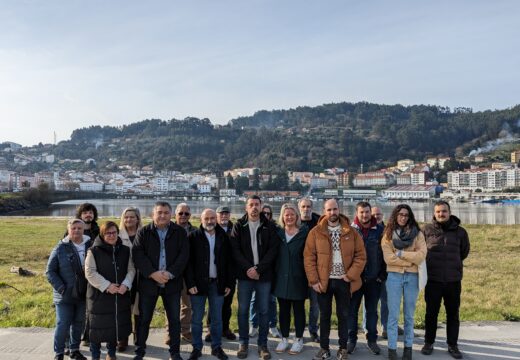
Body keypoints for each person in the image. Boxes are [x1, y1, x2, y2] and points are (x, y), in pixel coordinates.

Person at [304, 199, 366, 360]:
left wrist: (350, 275)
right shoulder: (315, 232)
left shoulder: (351, 232)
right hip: (323, 282)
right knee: (324, 316)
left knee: (343, 315)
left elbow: (361, 256)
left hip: (344, 281)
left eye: (335, 209)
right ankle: (324, 349)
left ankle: (342, 349)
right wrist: (314, 281)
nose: (332, 213)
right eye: (329, 210)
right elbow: (308, 257)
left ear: (339, 210)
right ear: (325, 211)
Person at [132, 201, 190, 360]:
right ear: (153, 214)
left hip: (172, 283)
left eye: (166, 212)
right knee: (144, 320)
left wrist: (170, 273)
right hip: (148, 283)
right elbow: (138, 255)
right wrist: (152, 273)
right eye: (159, 212)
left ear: (171, 214)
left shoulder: (179, 232)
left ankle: (175, 352)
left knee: (174, 320)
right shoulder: (143, 232)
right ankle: (140, 351)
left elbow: (183, 256)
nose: (163, 215)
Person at [230, 195, 280, 360]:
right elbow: (235, 250)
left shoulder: (269, 226)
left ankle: (262, 345)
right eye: (251, 204)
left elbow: (273, 250)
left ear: (261, 206)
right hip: (244, 276)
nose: (254, 207)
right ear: (246, 207)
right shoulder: (239, 226)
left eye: (257, 204)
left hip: (264, 276)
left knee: (264, 311)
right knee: (243, 310)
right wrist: (249, 269)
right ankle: (243, 343)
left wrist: (258, 268)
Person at [421, 201, 470, 359]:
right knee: (431, 313)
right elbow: (420, 251)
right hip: (433, 280)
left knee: (453, 314)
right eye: (438, 212)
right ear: (434, 213)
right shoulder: (426, 230)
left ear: (449, 212)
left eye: (444, 211)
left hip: (453, 281)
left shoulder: (461, 232)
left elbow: (464, 252)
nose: (441, 214)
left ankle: (453, 345)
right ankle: (429, 342)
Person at [185, 209, 232, 360]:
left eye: (213, 218)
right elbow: (188, 263)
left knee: (217, 319)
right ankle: (197, 348)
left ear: (216, 219)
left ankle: (216, 347)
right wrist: (190, 283)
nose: (210, 221)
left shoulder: (223, 236)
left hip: (217, 284)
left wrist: (229, 283)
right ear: (201, 219)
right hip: (197, 285)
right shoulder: (193, 236)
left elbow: (229, 262)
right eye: (207, 218)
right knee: (196, 318)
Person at [381, 204, 427, 360]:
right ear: (395, 215)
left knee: (409, 316)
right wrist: (409, 261)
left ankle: (408, 349)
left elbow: (421, 255)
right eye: (400, 214)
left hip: (412, 278)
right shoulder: (387, 235)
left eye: (406, 215)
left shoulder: (417, 234)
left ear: (410, 217)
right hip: (394, 277)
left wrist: (400, 253)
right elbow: (388, 258)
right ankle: (392, 350)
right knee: (393, 316)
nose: (403, 217)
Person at [85, 221, 136, 360]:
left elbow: (131, 269)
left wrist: (126, 284)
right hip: (99, 296)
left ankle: (111, 353)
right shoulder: (93, 251)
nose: (111, 235)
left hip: (120, 294)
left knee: (114, 326)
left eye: (114, 232)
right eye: (108, 233)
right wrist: (107, 286)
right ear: (102, 234)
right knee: (96, 328)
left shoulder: (125, 250)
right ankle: (95, 355)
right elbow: (90, 272)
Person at [47, 218, 92, 360]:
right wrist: (61, 288)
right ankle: (59, 353)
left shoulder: (90, 245)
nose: (77, 231)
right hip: (64, 295)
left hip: (82, 293)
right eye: (74, 228)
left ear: (83, 229)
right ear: (69, 229)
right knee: (63, 324)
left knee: (79, 324)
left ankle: (74, 350)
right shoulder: (60, 248)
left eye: (79, 228)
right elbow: (50, 271)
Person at [348, 201, 386, 355]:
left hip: (373, 279)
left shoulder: (380, 231)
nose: (364, 215)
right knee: (351, 311)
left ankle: (372, 340)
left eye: (367, 212)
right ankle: (351, 340)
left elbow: (385, 255)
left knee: (372, 312)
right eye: (361, 212)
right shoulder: (349, 231)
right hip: (355, 279)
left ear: (371, 213)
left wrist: (381, 276)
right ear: (357, 213)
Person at [62, 203, 100, 348]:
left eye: (90, 212)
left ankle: (87, 337)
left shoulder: (98, 230)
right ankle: (67, 342)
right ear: (80, 215)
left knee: (91, 308)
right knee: (71, 312)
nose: (88, 215)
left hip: (94, 275)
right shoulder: (74, 230)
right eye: (85, 213)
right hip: (75, 277)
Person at [273, 203, 309, 355]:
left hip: (298, 278)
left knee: (299, 310)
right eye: (286, 215)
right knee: (283, 311)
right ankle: (284, 338)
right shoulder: (278, 233)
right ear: (282, 217)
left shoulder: (304, 233)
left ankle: (299, 339)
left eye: (292, 214)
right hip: (281, 278)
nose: (289, 217)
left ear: (297, 216)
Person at [205, 206, 236, 343]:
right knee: (212, 304)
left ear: (229, 216)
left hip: (230, 273)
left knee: (227, 303)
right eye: (221, 214)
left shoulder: (235, 230)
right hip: (213, 274)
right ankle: (211, 330)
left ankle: (225, 328)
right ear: (216, 216)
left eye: (226, 214)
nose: (224, 216)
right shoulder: (211, 229)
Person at [249, 204, 280, 339]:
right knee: (254, 299)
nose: (266, 215)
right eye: (264, 213)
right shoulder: (256, 227)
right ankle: (254, 325)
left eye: (268, 214)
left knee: (272, 300)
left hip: (271, 272)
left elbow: (274, 251)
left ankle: (272, 325)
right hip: (256, 270)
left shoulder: (274, 228)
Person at [117, 206, 142, 351]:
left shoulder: (144, 234)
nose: (129, 219)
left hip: (141, 278)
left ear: (138, 218)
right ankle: (122, 339)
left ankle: (139, 337)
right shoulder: (118, 235)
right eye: (126, 217)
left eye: (132, 217)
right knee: (123, 309)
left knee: (139, 310)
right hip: (123, 277)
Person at [298, 197, 321, 343]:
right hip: (298, 271)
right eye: (303, 207)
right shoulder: (294, 220)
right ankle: (299, 332)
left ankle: (313, 330)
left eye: (308, 206)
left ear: (312, 207)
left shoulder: (319, 221)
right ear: (299, 207)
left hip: (315, 270)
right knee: (298, 304)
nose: (306, 209)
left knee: (315, 305)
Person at [174, 202, 196, 344]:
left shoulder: (194, 231)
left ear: (190, 215)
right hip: (172, 272)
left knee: (187, 305)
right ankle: (171, 332)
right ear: (175, 214)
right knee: (171, 304)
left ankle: (185, 330)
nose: (183, 216)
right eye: (180, 213)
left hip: (188, 273)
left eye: (186, 213)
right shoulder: (169, 229)